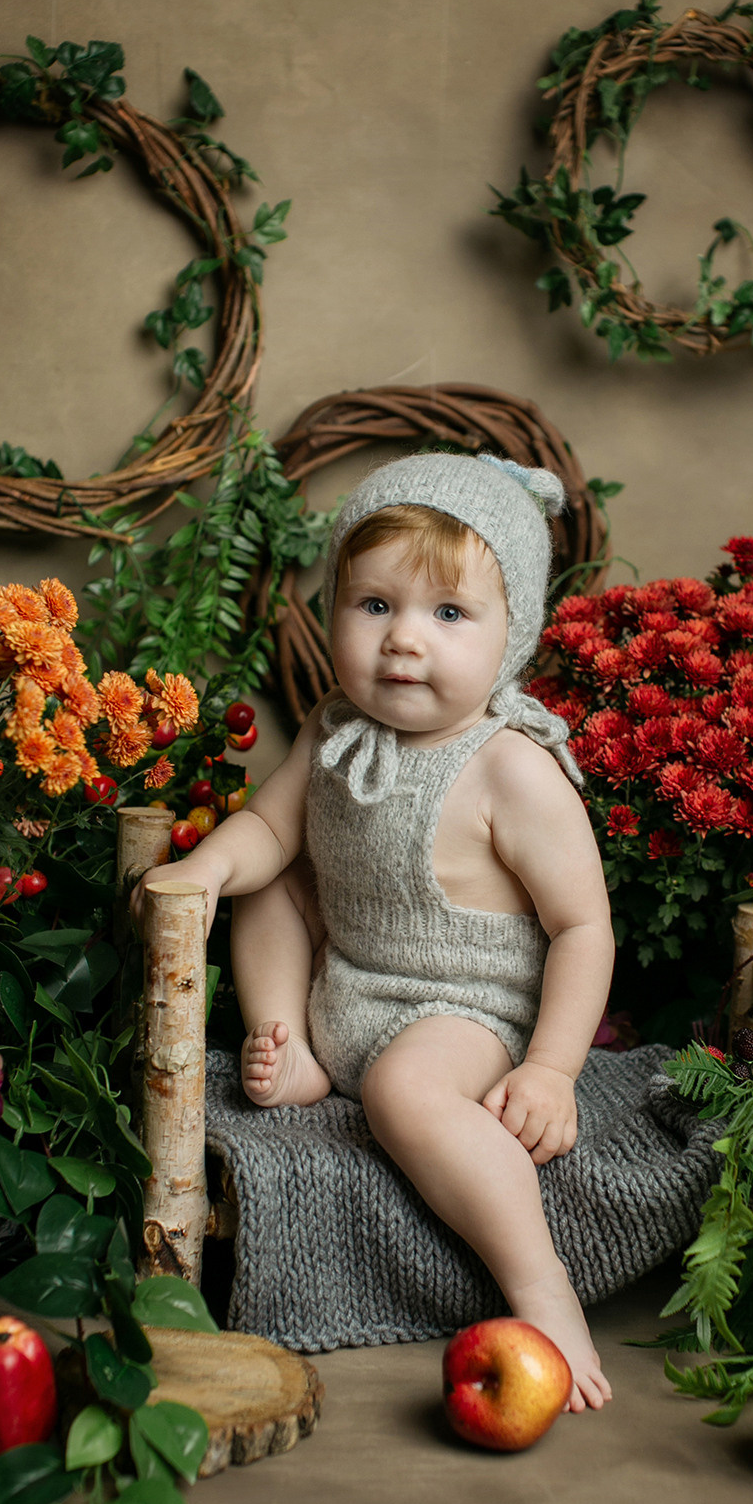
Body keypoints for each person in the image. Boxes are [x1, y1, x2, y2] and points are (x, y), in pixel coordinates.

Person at [135, 454, 616, 1410]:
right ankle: (292, 1039)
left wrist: (552, 1070)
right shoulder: (332, 730)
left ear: (511, 635)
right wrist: (203, 869)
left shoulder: (510, 768)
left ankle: (540, 1286)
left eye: (448, 614)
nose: (403, 642)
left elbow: (582, 926)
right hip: (348, 983)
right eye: (374, 605)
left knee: (405, 1088)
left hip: (464, 1010)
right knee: (268, 878)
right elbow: (271, 829)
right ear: (334, 614)